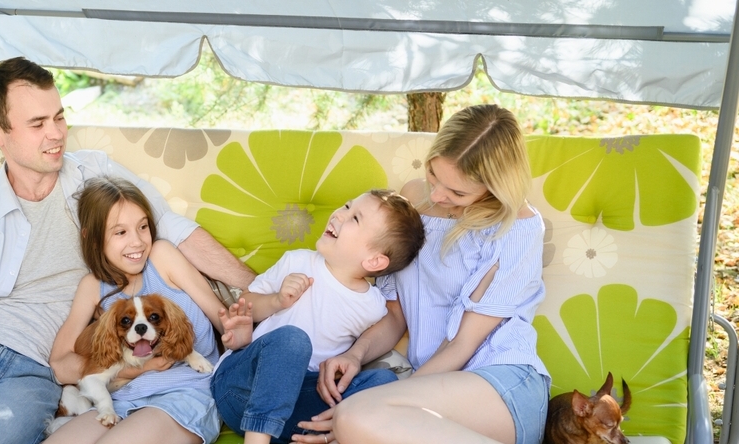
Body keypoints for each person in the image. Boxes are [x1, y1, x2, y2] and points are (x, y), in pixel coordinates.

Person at [0, 57, 255, 444]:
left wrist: (257, 289)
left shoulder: (94, 174)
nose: (57, 133)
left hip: (34, 372)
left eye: (59, 117)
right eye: (38, 123)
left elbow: (170, 230)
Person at [291, 104, 550, 444]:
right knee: (354, 419)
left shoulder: (517, 228)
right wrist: (355, 354)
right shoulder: (413, 197)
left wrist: (377, 408)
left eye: (457, 192)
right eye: (434, 176)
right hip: (430, 389)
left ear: (495, 186)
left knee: (354, 417)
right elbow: (397, 312)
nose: (439, 196)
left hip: (500, 382)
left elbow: (463, 345)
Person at [44, 176, 253, 444]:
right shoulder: (93, 287)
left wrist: (236, 335)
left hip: (184, 393)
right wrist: (126, 369)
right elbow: (60, 365)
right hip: (119, 399)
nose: (138, 242)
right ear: (92, 238)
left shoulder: (161, 256)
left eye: (143, 227)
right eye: (120, 232)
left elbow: (221, 317)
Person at [211, 189, 425, 444]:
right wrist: (276, 300)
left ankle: (321, 437)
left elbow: (383, 334)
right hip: (239, 387)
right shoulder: (297, 261)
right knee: (293, 340)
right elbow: (247, 304)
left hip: (294, 412)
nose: (339, 214)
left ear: (375, 261)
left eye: (355, 218)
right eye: (346, 205)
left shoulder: (372, 306)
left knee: (384, 380)